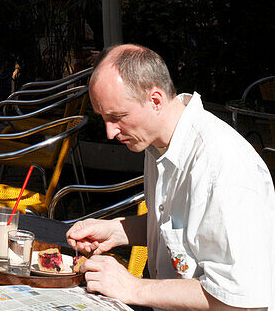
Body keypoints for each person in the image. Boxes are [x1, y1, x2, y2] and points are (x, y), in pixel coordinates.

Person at [67, 44, 275, 311]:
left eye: (117, 117)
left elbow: (238, 298)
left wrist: (132, 287)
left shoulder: (220, 166)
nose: (110, 132)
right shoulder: (158, 143)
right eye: (104, 118)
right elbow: (185, 228)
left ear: (155, 100)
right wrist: (118, 230)